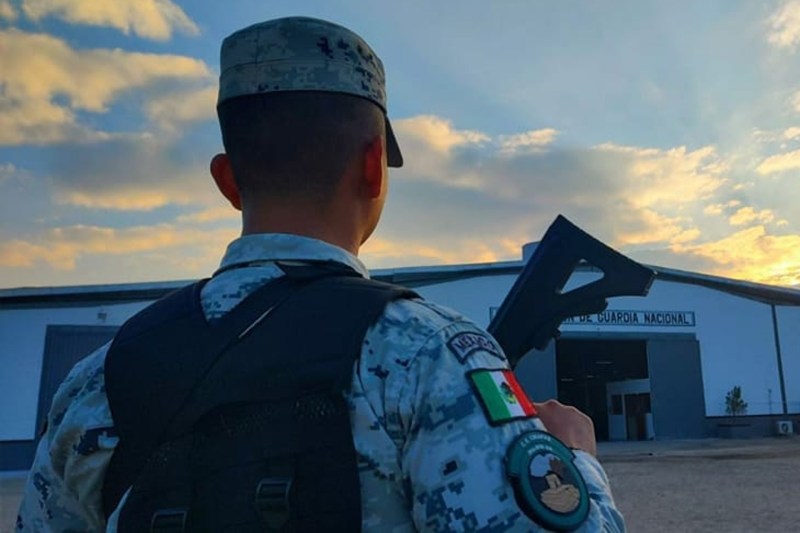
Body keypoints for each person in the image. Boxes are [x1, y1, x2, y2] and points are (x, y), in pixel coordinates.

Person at [16, 16, 625, 532]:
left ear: (227, 181)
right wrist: (575, 456)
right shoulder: (431, 354)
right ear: (373, 167)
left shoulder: (96, 381)